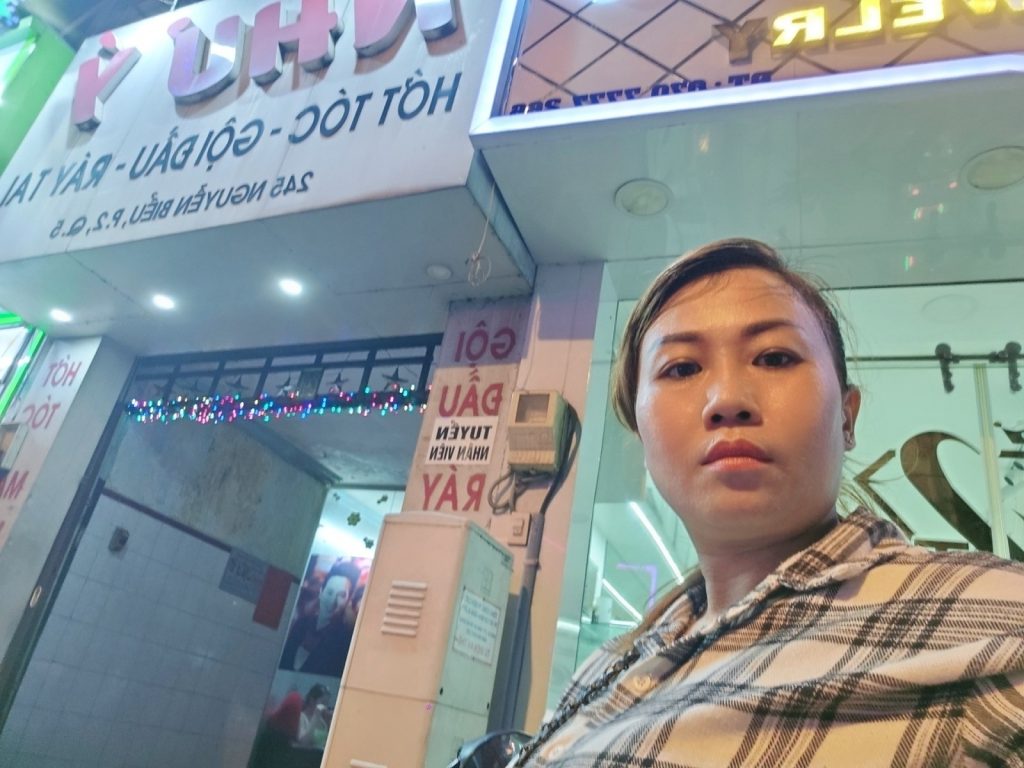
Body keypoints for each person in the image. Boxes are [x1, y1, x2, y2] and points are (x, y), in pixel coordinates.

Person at [513, 238, 1024, 766]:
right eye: (681, 369)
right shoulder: (612, 661)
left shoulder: (993, 633)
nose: (727, 400)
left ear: (847, 417)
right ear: (642, 437)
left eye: (775, 357)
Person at [280, 560, 361, 676]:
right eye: (329, 592)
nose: (333, 601)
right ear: (321, 592)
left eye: (341, 595)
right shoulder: (301, 624)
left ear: (348, 601)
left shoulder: (344, 642)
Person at [297, 683, 332, 748]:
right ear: (312, 700)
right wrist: (316, 714)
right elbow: (303, 742)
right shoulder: (301, 717)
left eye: (327, 704)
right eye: (323, 703)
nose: (325, 707)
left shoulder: (322, 722)